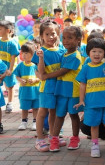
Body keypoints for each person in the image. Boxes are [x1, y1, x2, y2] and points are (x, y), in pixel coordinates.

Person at [36, 26, 83, 152]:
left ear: (78, 40)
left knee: (71, 115)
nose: (66, 40)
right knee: (56, 114)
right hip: (59, 90)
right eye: (64, 38)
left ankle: (74, 138)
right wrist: (40, 74)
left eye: (70, 38)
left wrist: (45, 76)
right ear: (41, 36)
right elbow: (38, 70)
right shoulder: (61, 52)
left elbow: (63, 71)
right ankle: (51, 138)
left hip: (72, 91)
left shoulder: (73, 55)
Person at [75, 38, 105, 158]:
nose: (97, 54)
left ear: (104, 54)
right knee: (94, 126)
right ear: (88, 52)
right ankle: (95, 146)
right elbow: (82, 85)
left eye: (100, 51)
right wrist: (81, 100)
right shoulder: (86, 68)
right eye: (94, 51)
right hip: (91, 104)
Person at [32, 21, 66, 152]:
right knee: (43, 112)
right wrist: (41, 58)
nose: (51, 36)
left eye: (54, 33)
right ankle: (40, 139)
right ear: (41, 36)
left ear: (58, 34)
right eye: (47, 34)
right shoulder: (41, 51)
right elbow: (41, 72)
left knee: (54, 112)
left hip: (59, 86)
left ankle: (53, 136)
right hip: (47, 87)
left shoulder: (61, 50)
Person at [0, 21, 20, 113]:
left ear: (8, 30)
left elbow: (13, 58)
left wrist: (10, 70)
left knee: (10, 86)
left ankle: (10, 103)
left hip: (8, 70)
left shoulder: (12, 43)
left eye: (0, 29)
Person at [13, 42, 39, 131]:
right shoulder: (21, 65)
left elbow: (41, 77)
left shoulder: (36, 65)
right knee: (24, 107)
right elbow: (16, 75)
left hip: (35, 91)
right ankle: (24, 121)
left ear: (33, 54)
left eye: (26, 53)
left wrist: (36, 80)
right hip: (24, 91)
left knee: (36, 107)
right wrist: (20, 80)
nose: (24, 55)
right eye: (22, 53)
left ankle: (35, 122)